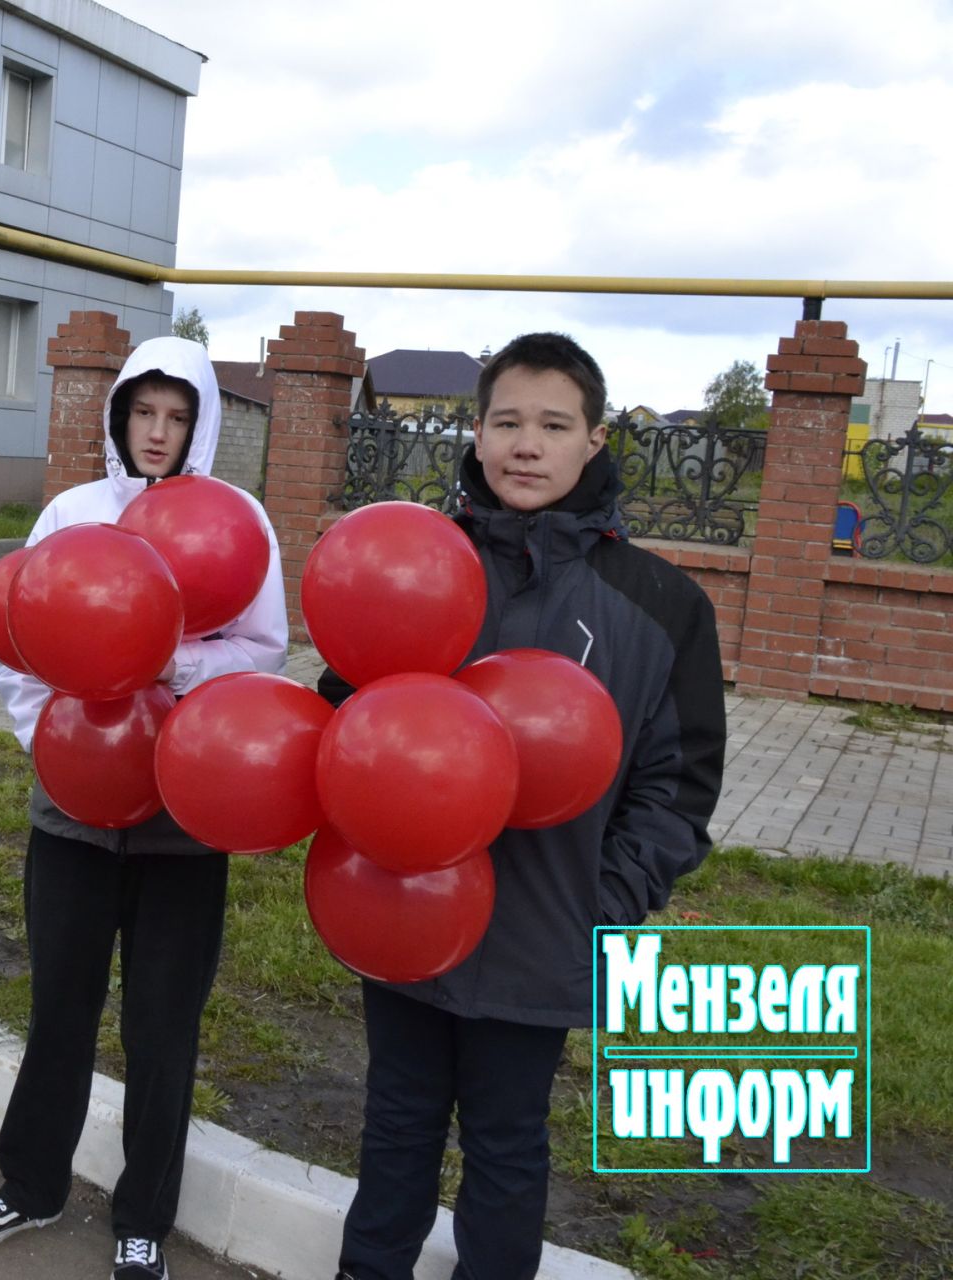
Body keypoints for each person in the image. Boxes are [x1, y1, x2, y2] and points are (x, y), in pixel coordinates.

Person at [324, 333, 726, 1280]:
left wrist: (602, 902)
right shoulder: (420, 564)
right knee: (395, 1129)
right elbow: (351, 709)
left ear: (594, 440)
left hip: (542, 930)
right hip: (402, 914)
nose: (527, 445)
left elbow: (679, 787)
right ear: (477, 430)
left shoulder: (660, 602)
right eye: (507, 421)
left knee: (506, 1153)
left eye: (554, 425)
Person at [0, 337, 289, 1280]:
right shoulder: (72, 512)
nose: (159, 434)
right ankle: (28, 1184)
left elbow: (265, 652)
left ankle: (143, 1216)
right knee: (60, 1005)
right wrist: (51, 751)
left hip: (184, 818)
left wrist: (179, 662)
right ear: (120, 414)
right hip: (74, 813)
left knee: (162, 1025)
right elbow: (22, 642)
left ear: (202, 425)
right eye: (145, 413)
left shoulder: (235, 519)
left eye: (179, 418)